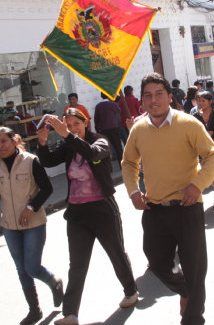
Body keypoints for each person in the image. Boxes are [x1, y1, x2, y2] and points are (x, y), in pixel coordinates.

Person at [122, 72, 214, 325]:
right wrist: (134, 191)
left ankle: (193, 318)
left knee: (195, 269)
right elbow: (129, 162)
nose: (153, 100)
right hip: (154, 208)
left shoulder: (188, 123)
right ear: (142, 100)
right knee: (156, 261)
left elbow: (213, 156)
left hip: (187, 207)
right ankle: (185, 290)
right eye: (148, 96)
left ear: (169, 96)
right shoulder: (139, 130)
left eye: (158, 94)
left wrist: (197, 185)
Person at [37, 109, 138, 325]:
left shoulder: (100, 141)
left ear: (86, 123)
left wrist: (67, 135)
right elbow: (48, 161)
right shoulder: (69, 145)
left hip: (102, 210)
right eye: (69, 125)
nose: (73, 129)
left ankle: (131, 291)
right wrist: (43, 142)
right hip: (76, 213)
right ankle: (70, 314)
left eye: (76, 124)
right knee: (77, 264)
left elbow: (93, 153)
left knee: (116, 252)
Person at [0, 127, 63, 325]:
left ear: (13, 141)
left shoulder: (30, 161)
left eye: (4, 141)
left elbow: (47, 188)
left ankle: (53, 281)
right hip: (10, 225)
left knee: (32, 267)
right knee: (21, 269)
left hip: (34, 223)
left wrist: (31, 207)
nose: (0, 146)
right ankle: (34, 310)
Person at [93, 92, 123, 167]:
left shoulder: (98, 106)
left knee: (106, 149)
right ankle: (122, 165)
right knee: (118, 147)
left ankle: (109, 168)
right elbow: (119, 110)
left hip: (103, 130)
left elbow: (96, 119)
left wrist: (97, 129)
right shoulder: (112, 104)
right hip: (113, 128)